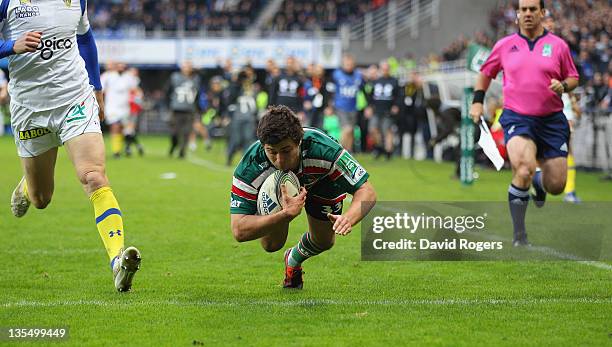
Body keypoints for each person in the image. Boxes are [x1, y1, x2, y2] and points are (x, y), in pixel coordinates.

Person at [4, 0, 141, 291]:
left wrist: (98, 88)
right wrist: (10, 46)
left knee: (93, 175)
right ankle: (28, 187)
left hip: (74, 98)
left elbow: (85, 38)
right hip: (30, 107)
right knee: (42, 198)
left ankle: (118, 260)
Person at [230, 105, 377, 289]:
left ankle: (293, 258)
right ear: (262, 146)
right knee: (271, 244)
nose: (280, 161)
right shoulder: (250, 166)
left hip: (323, 183)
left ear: (299, 141)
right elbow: (239, 230)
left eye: (286, 150)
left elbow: (367, 190)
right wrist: (285, 215)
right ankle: (283, 221)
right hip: (283, 199)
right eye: (272, 152)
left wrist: (348, 219)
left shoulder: (323, 148)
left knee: (324, 242)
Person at [470, 0, 579, 246]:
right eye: (523, 9)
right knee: (523, 168)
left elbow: (573, 77)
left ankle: (539, 184)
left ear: (542, 12)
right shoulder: (505, 45)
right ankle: (520, 234)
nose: (527, 13)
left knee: (557, 185)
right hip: (517, 117)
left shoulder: (558, 46)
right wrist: (477, 101)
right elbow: (486, 73)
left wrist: (563, 86)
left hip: (552, 121)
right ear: (517, 14)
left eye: (532, 9)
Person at [101, 62, 138, 158]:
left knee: (123, 129)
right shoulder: (107, 76)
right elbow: (101, 90)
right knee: (115, 126)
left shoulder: (129, 77)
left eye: (123, 66)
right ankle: (116, 151)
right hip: (112, 106)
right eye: (119, 65)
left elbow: (134, 90)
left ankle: (122, 148)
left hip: (125, 107)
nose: (121, 67)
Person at [366, 61, 401, 160]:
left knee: (387, 130)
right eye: (383, 69)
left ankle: (388, 151)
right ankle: (379, 147)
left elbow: (399, 96)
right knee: (372, 129)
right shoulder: (375, 81)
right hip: (376, 110)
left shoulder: (394, 81)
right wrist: (369, 107)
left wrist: (396, 106)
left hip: (388, 110)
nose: (385, 71)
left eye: (386, 69)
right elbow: (370, 95)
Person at [167, 61, 201, 159]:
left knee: (187, 132)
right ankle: (174, 145)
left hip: (189, 110)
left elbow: (197, 94)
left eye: (189, 66)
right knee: (175, 132)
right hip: (176, 109)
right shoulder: (175, 77)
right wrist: (168, 105)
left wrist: (198, 108)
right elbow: (168, 91)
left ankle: (182, 151)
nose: (187, 68)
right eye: (185, 66)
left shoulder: (196, 78)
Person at [331, 54, 363, 151]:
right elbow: (330, 90)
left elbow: (362, 89)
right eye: (347, 64)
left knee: (351, 131)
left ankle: (348, 153)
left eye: (350, 64)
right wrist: (329, 105)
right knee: (347, 129)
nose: (349, 66)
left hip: (353, 107)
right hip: (340, 106)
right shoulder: (336, 74)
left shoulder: (358, 75)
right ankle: (337, 152)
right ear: (343, 64)